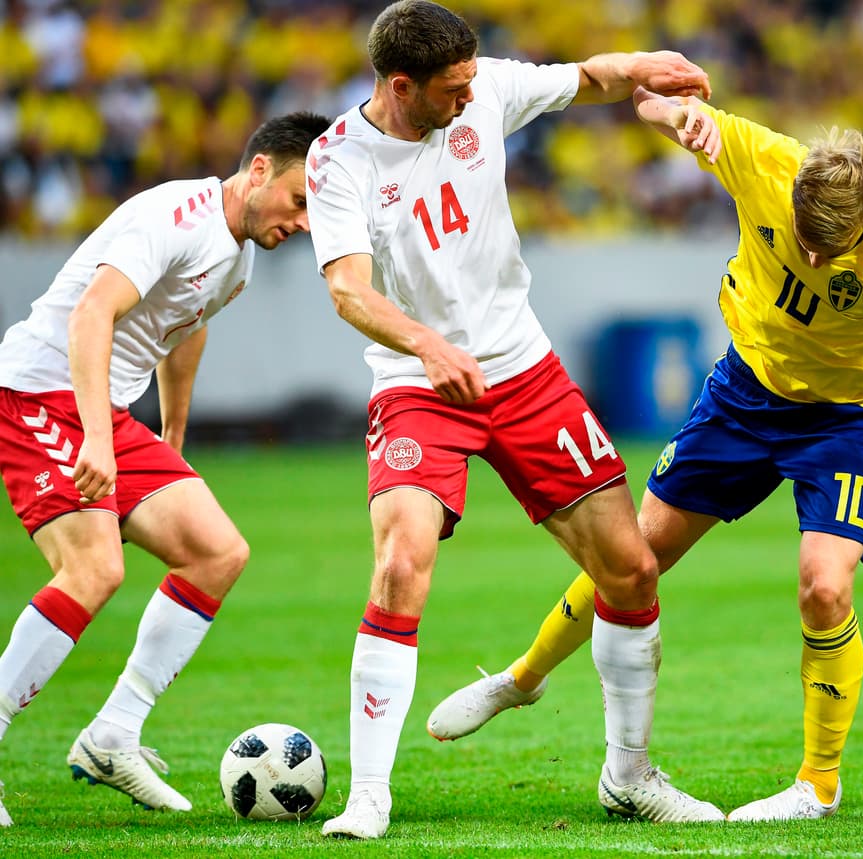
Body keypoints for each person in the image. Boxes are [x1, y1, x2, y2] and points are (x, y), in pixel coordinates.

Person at [426, 87, 863, 821]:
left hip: (843, 421)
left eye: (827, 250)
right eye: (801, 235)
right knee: (633, 556)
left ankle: (817, 786)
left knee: (826, 587)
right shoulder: (765, 160)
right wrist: (668, 110)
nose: (809, 253)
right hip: (743, 393)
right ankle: (522, 678)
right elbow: (673, 115)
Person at [303, 1, 724, 839]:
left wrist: (647, 63)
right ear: (400, 85)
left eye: (470, 82)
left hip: (523, 369)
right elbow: (349, 288)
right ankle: (368, 796)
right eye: (449, 89)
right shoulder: (337, 160)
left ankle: (630, 776)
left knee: (631, 569)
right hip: (416, 381)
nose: (467, 99)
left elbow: (591, 79)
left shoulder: (487, 89)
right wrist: (426, 345)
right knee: (401, 563)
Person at [0, 111, 330, 825]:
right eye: (301, 201)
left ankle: (114, 732)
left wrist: (172, 431)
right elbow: (92, 316)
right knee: (94, 570)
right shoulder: (176, 215)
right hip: (40, 389)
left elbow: (186, 326)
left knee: (218, 552)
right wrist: (95, 437)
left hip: (105, 411)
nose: (303, 224)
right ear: (260, 170)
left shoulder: (236, 258)